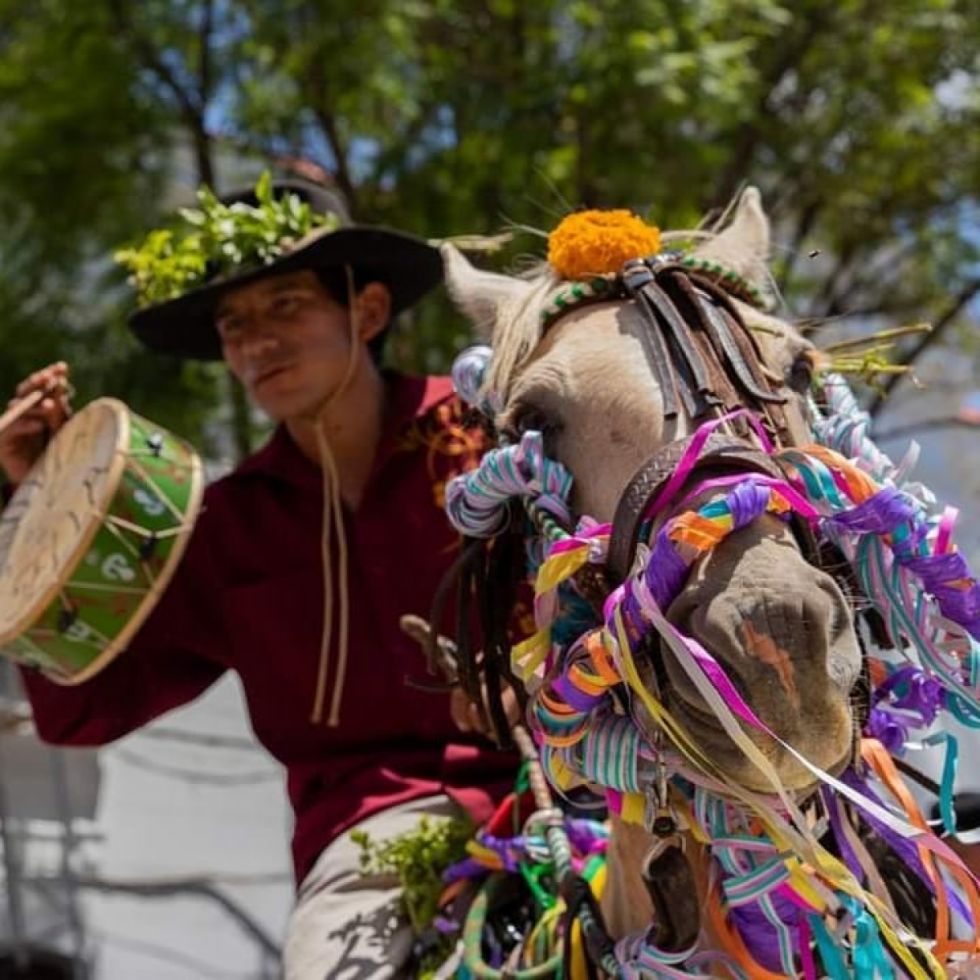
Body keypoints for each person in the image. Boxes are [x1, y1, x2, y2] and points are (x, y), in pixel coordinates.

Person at [0, 177, 518, 978]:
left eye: (285, 307)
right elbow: (83, 712)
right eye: (233, 325)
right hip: (374, 835)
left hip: (575, 788)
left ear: (368, 312)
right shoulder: (224, 528)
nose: (255, 344)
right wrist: (37, 508)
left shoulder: (492, 437)